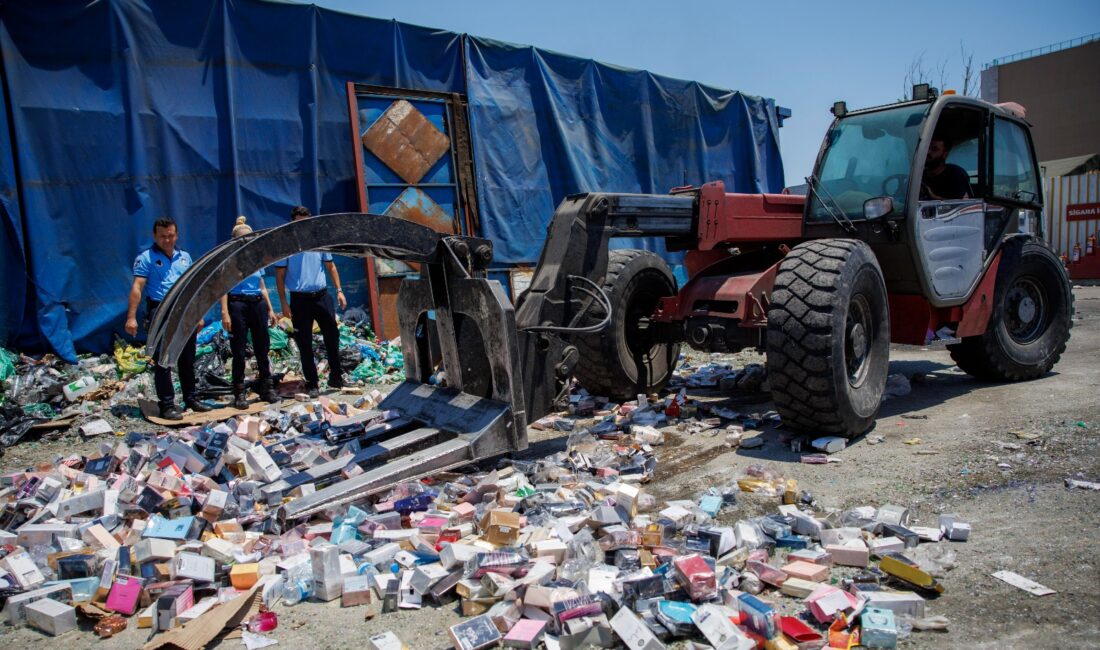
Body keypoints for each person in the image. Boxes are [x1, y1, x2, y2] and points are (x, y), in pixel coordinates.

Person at [125, 217, 211, 420]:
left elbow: (193, 287)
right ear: (155, 236)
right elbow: (138, 287)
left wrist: (198, 315)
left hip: (185, 311)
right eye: (163, 236)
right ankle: (166, 404)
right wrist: (131, 317)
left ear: (177, 235)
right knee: (164, 360)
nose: (167, 240)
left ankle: (191, 398)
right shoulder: (146, 258)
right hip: (161, 310)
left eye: (171, 236)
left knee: (187, 357)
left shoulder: (185, 257)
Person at [274, 206, 347, 398]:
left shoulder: (318, 241)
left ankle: (336, 376)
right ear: (293, 222)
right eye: (299, 222)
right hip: (300, 300)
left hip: (322, 296)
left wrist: (339, 290)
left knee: (332, 335)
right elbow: (280, 276)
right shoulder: (286, 244)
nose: (303, 226)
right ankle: (312, 383)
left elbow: (330, 267)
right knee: (304, 342)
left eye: (306, 222)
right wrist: (283, 303)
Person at [219, 217, 280, 410]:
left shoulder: (256, 258)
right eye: (243, 238)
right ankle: (239, 391)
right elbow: (223, 288)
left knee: (262, 347)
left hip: (257, 304)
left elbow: (262, 287)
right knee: (238, 350)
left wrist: (270, 309)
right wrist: (225, 313)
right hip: (238, 303)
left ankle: (266, 387)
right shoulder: (230, 259)